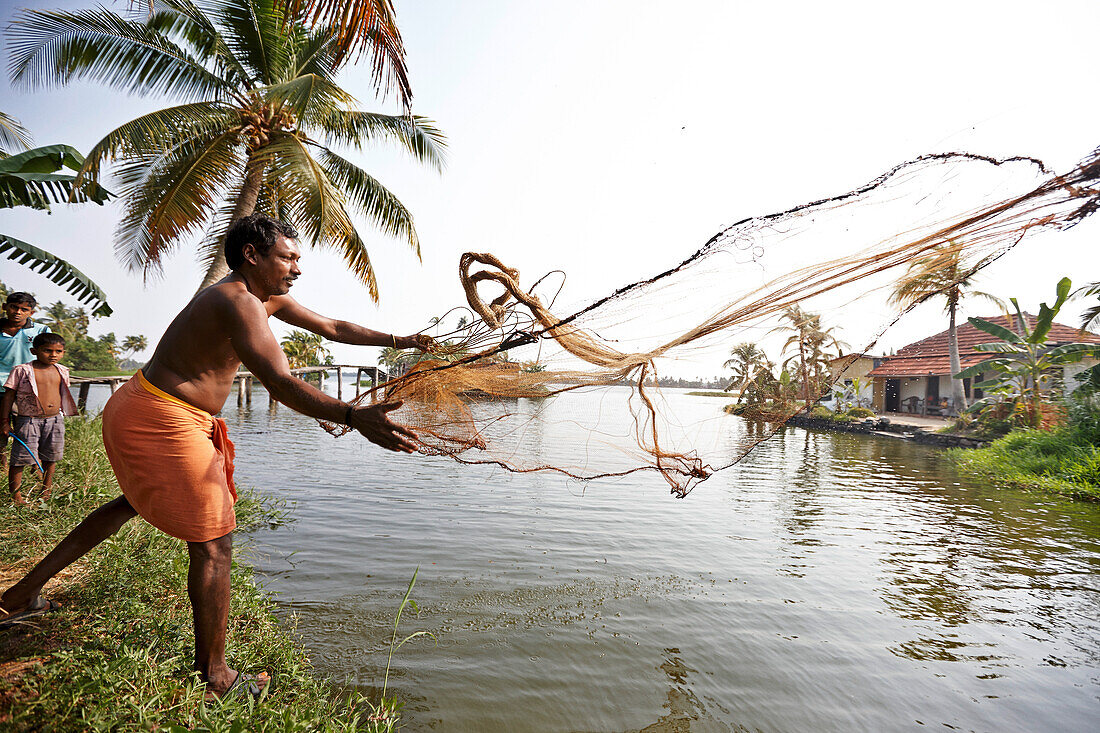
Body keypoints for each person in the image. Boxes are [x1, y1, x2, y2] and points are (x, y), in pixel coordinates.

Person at [0, 215, 433, 699]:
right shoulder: (237, 301)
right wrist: (354, 415)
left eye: (297, 259)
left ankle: (20, 596)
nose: (296, 268)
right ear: (252, 255)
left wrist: (401, 341)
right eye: (288, 257)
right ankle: (216, 676)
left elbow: (332, 326)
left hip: (153, 406)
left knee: (131, 504)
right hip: (161, 415)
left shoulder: (264, 299)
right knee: (214, 544)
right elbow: (280, 382)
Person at [1, 332, 77, 503]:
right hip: (28, 420)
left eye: (59, 351)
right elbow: (8, 397)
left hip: (55, 419)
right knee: (20, 458)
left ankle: (46, 492)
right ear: (34, 351)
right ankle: (16, 496)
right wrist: (5, 422)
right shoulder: (22, 370)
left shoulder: (62, 371)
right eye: (48, 351)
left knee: (51, 457)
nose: (53, 355)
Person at [0, 292, 51, 473]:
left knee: (31, 433)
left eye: (24, 309)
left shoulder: (41, 331)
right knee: (1, 432)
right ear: (5, 307)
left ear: (31, 312)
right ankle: (3, 470)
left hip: (28, 390)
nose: (18, 312)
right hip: (0, 388)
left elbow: (49, 359)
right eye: (14, 307)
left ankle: (36, 473)